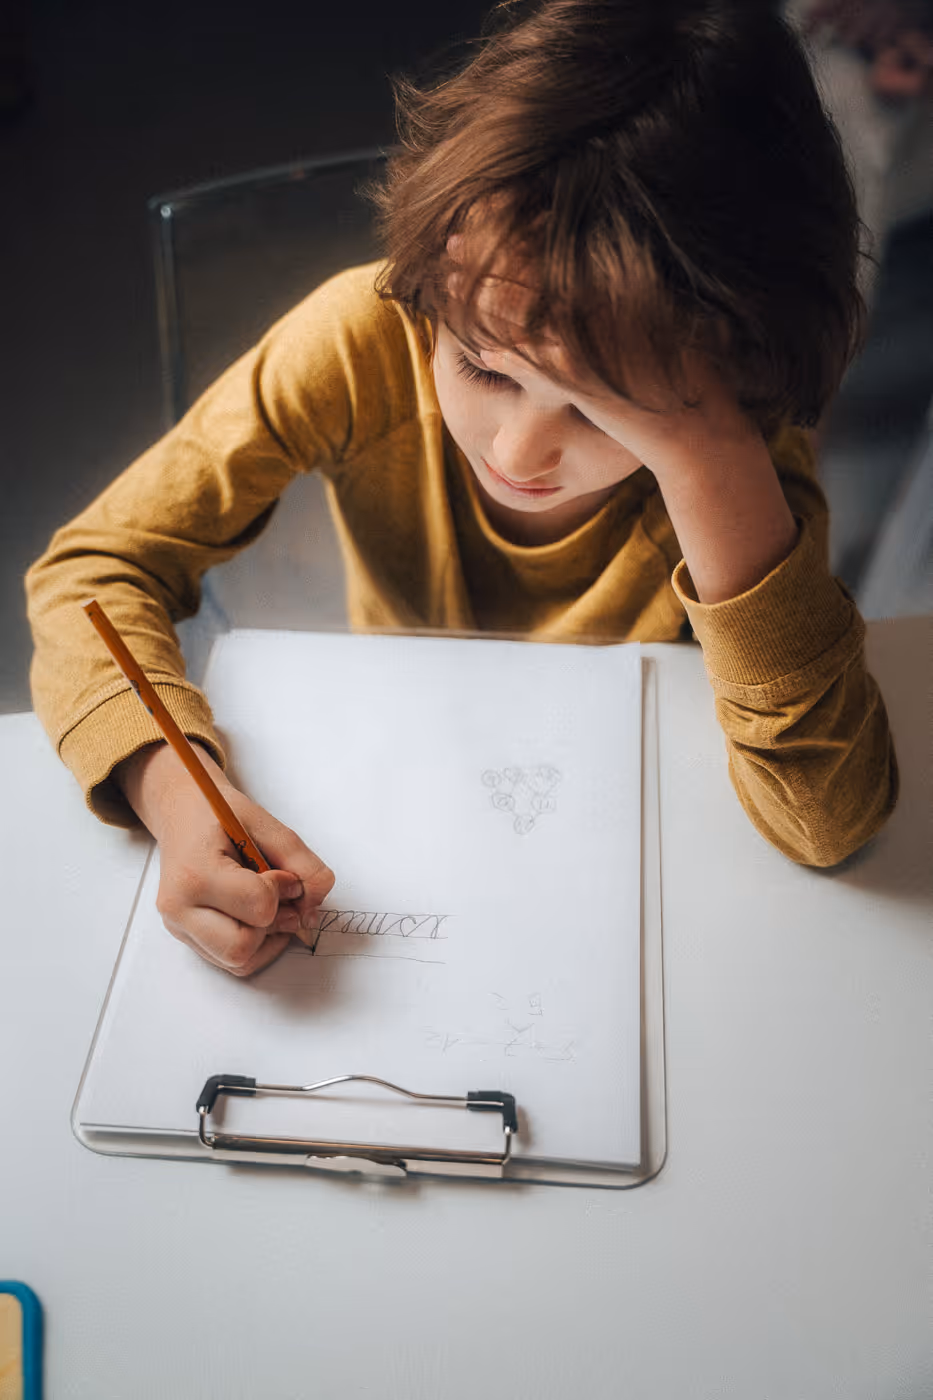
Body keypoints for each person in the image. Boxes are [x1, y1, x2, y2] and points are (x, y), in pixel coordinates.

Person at [25, 0, 900, 979]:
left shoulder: (735, 458)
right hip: (397, 769)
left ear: (727, 390)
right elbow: (90, 569)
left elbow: (831, 823)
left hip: (612, 818)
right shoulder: (363, 344)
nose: (520, 448)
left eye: (605, 410)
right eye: (484, 367)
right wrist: (172, 790)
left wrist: (708, 465)